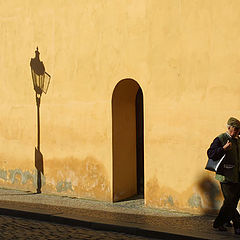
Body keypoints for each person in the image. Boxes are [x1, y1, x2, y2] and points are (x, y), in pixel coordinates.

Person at [207, 117, 240, 234]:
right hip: (225, 176)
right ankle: (238, 225)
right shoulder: (221, 138)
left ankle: (223, 221)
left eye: (238, 130)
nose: (236, 132)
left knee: (231, 202)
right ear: (229, 127)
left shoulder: (237, 140)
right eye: (234, 129)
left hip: (237, 176)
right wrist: (223, 149)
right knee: (230, 201)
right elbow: (211, 153)